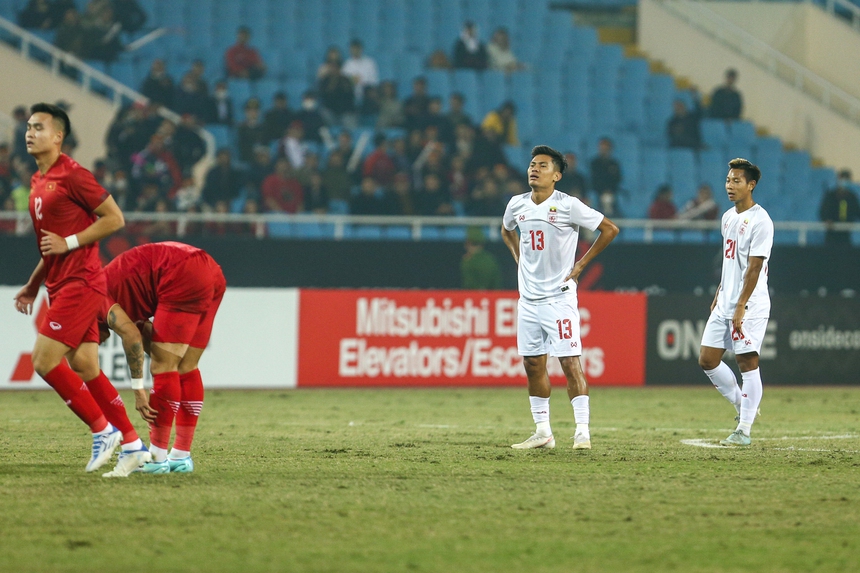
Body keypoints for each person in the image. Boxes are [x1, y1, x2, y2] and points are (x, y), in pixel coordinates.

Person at [12, 103, 145, 474]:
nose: (30, 132)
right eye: (28, 126)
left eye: (39, 127)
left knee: (43, 360)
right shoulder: (37, 183)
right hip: (59, 283)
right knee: (85, 365)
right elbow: (50, 246)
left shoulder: (73, 174)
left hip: (82, 282)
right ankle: (133, 444)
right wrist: (33, 285)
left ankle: (103, 430)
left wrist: (70, 243)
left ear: (58, 137)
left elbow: (115, 218)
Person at [501, 145, 619, 451]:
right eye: (532, 164)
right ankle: (543, 432)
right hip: (528, 301)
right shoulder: (516, 204)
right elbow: (506, 231)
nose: (534, 169)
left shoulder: (569, 206)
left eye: (542, 165)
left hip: (559, 299)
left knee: (569, 362)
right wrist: (518, 258)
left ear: (556, 175)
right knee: (533, 365)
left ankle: (582, 431)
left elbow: (609, 229)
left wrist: (580, 265)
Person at [97, 241, 226, 475]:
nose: (96, 343)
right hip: (210, 269)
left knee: (164, 367)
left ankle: (157, 459)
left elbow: (132, 336)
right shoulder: (115, 292)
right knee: (185, 366)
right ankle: (181, 456)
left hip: (180, 271)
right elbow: (146, 336)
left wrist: (138, 390)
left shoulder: (93, 297)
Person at [698, 158, 773, 447]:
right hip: (725, 299)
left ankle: (744, 430)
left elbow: (754, 268)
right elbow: (731, 262)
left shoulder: (761, 221)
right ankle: (744, 405)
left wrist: (741, 303)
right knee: (707, 358)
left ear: (751, 185)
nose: (730, 185)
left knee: (747, 361)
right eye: (728, 180)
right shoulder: (728, 217)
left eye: (736, 181)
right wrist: (720, 290)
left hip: (749, 303)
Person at [819, 169, 860, 246]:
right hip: (832, 233)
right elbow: (823, 211)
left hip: (846, 232)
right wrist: (826, 220)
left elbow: (857, 211)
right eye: (842, 179)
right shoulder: (830, 196)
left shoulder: (852, 196)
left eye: (847, 179)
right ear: (838, 180)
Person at [589, 137, 622, 216]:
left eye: (606, 147)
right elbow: (594, 179)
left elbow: (617, 179)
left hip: (612, 192)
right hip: (597, 191)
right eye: (602, 147)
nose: (604, 149)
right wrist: (602, 190)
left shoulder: (614, 164)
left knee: (608, 198)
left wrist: (610, 190)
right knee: (605, 199)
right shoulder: (594, 163)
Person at [342, 39, 379, 106]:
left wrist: (361, 81)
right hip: (352, 95)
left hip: (367, 95)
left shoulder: (370, 63)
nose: (355, 51)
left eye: (357, 48)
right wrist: (353, 80)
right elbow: (344, 82)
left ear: (361, 49)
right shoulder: (346, 65)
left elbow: (374, 81)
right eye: (353, 48)